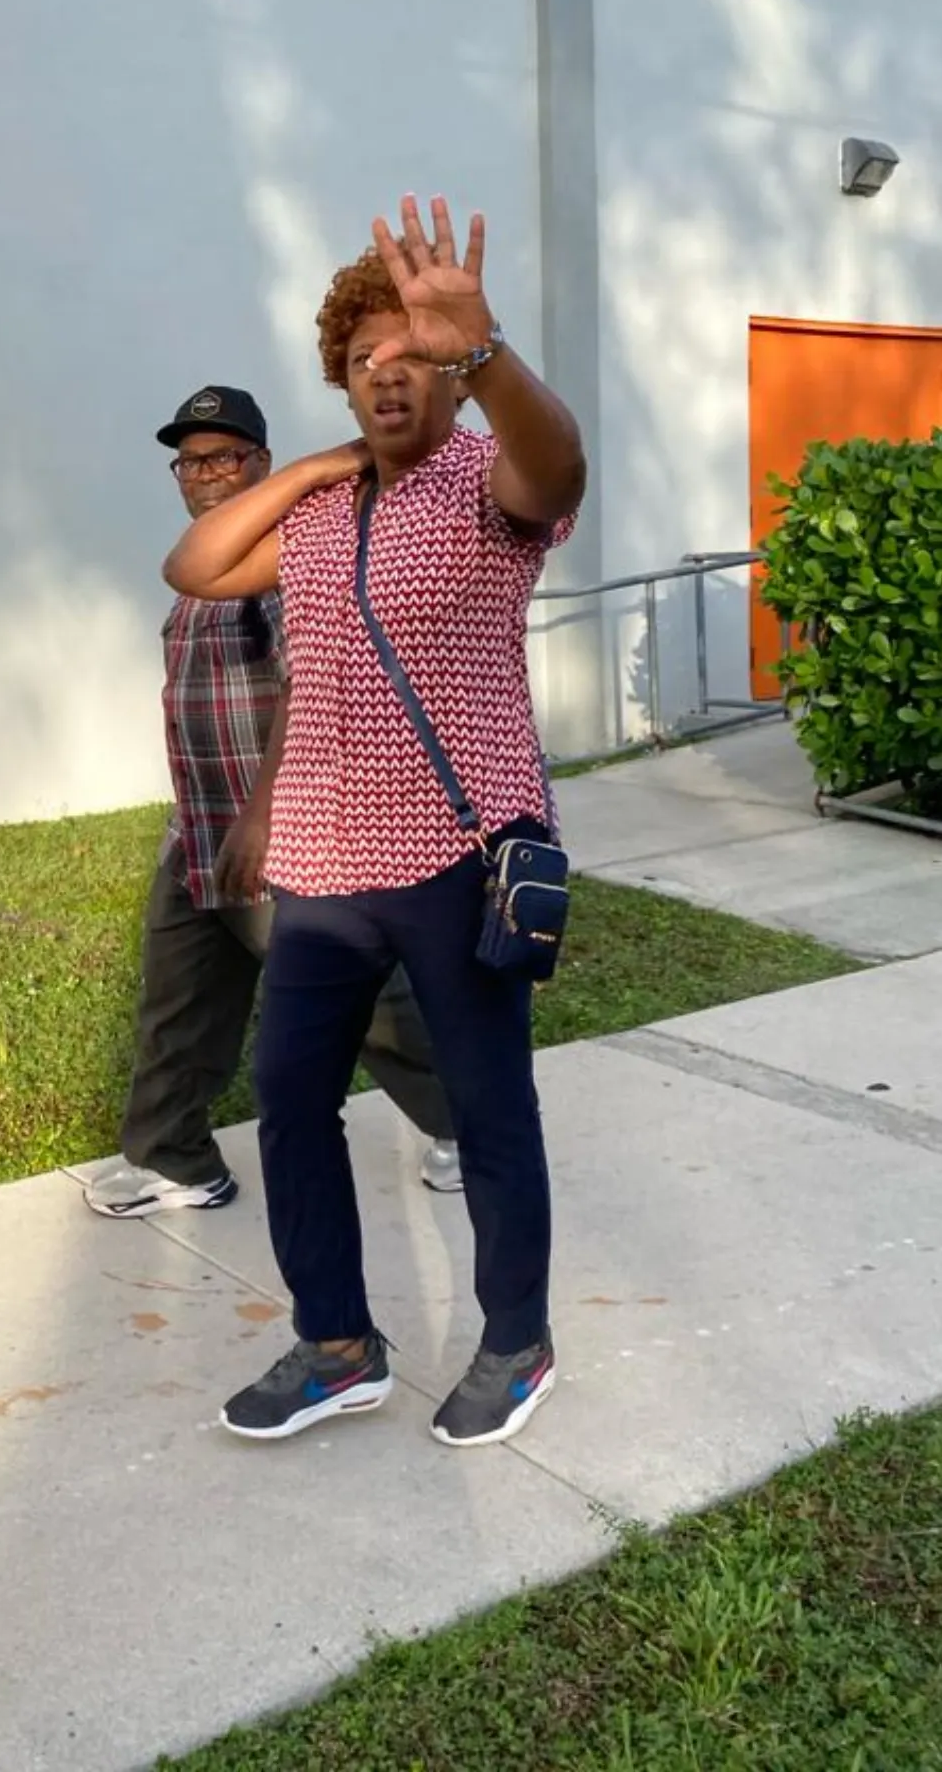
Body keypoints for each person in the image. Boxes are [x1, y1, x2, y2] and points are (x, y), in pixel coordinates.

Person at [163, 196, 586, 1448]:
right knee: (291, 1101)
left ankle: (517, 1339)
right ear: (340, 382)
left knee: (490, 1106)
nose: (387, 376)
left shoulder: (488, 486)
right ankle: (337, 1344)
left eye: (412, 357)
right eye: (363, 360)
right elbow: (195, 566)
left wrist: (485, 348)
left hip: (457, 859)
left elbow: (559, 464)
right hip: (324, 867)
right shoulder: (319, 511)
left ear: (449, 376)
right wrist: (311, 469)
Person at [85, 383, 461, 1221]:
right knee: (178, 1003)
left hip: (278, 833)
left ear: (260, 462)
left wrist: (261, 819)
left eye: (222, 457)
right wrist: (205, 823)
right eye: (189, 463)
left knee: (361, 999)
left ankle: (468, 1123)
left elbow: (307, 686)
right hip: (199, 830)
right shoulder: (204, 567)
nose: (203, 475)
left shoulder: (291, 557)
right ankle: (174, 1160)